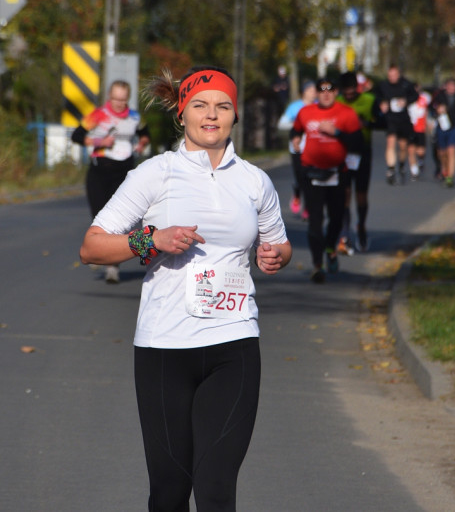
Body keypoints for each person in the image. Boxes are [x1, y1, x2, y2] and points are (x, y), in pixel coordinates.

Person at [78, 66, 291, 512]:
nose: (211, 115)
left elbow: (278, 242)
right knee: (170, 492)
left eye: (222, 106)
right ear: (182, 114)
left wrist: (276, 256)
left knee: (215, 490)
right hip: (163, 348)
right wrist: (149, 239)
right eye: (200, 105)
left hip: (234, 344)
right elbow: (92, 247)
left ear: (234, 115)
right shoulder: (154, 174)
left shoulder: (255, 180)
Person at [71, 80, 150, 284]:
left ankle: (124, 260)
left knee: (125, 220)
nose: (119, 103)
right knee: (100, 218)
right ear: (109, 97)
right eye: (115, 99)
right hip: (100, 171)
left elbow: (144, 135)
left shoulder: (134, 117)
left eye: (123, 99)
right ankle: (106, 259)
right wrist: (100, 142)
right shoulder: (98, 115)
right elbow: (77, 136)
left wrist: (141, 144)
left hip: (124, 172)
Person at [291, 75, 364, 282]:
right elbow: (295, 130)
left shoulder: (346, 113)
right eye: (321, 90)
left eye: (330, 90)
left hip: (337, 173)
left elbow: (358, 143)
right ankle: (317, 265)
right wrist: (295, 139)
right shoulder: (305, 112)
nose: (325, 94)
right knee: (315, 220)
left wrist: (336, 132)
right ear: (316, 92)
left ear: (336, 92)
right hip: (311, 172)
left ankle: (331, 247)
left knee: (336, 217)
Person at [337, 71, 382, 253]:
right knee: (345, 194)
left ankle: (361, 226)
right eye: (345, 92)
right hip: (343, 153)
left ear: (357, 88)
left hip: (362, 152)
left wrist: (368, 124)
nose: (348, 95)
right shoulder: (337, 101)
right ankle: (345, 234)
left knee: (361, 194)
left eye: (351, 92)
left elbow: (382, 122)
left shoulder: (369, 100)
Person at [277, 80, 317, 220]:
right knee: (300, 178)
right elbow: (282, 124)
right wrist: (298, 125)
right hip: (297, 148)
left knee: (311, 178)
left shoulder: (318, 106)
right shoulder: (295, 107)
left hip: (314, 148)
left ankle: (308, 207)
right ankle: (297, 194)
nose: (314, 93)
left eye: (315, 90)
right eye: (311, 90)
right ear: (304, 91)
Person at [374, 64, 419, 185]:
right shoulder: (383, 85)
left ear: (398, 74)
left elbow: (415, 96)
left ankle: (402, 164)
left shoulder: (406, 84)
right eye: (389, 75)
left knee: (403, 146)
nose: (391, 77)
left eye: (394, 75)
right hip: (390, 119)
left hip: (403, 119)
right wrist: (381, 103)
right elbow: (376, 96)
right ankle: (391, 169)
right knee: (390, 142)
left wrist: (405, 101)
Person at [431, 77, 455, 188]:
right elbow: (431, 107)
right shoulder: (439, 96)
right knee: (442, 152)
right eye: (449, 85)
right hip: (442, 126)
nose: (451, 88)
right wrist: (437, 110)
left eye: (454, 86)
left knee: (451, 150)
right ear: (446, 86)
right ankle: (444, 168)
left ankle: (450, 176)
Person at [407, 88, 432, 180]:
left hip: (420, 129)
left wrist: (428, 123)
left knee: (421, 151)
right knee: (410, 150)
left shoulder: (425, 98)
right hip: (410, 129)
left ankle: (421, 160)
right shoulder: (407, 100)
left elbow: (427, 111)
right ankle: (414, 172)